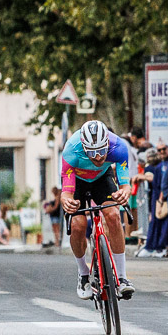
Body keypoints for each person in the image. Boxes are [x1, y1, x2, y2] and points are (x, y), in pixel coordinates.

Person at [60, 119, 134, 299]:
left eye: (102, 151)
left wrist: (124, 192)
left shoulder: (119, 147)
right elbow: (67, 191)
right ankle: (83, 273)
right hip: (77, 181)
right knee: (77, 225)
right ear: (84, 147)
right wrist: (66, 200)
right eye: (92, 153)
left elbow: (125, 184)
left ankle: (122, 277)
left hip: (102, 179)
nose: (99, 157)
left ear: (107, 144)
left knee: (114, 215)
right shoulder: (71, 150)